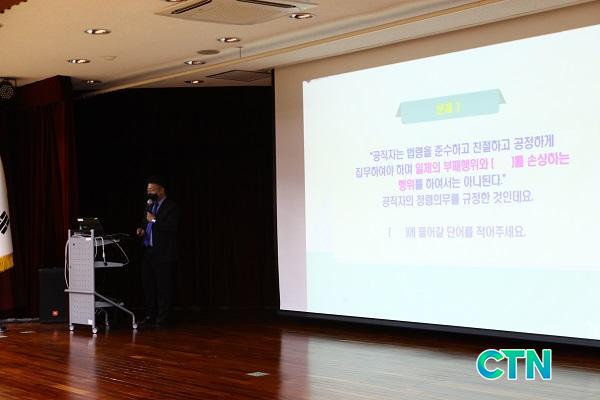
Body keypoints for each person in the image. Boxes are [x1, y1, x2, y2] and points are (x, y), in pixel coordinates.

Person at [136, 175, 181, 327]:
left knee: (163, 287)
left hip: (163, 253)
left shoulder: (172, 207)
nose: (149, 193)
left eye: (152, 190)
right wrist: (142, 229)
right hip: (148, 251)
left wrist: (154, 220)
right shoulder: (149, 205)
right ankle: (150, 315)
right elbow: (145, 222)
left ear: (161, 190)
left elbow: (171, 227)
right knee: (148, 286)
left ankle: (163, 318)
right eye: (148, 190)